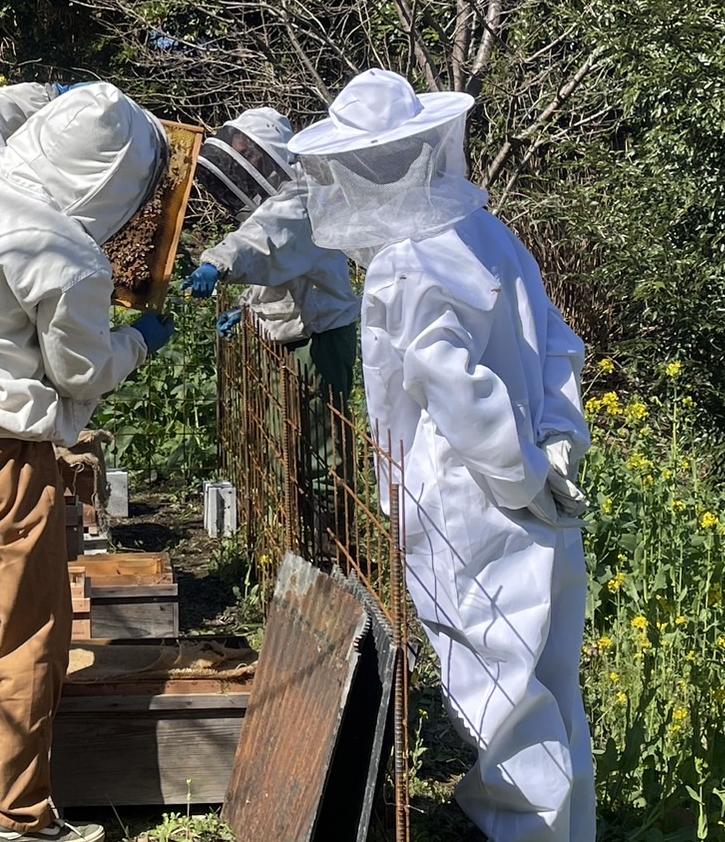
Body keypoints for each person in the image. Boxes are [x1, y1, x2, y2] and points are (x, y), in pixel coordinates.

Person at [287, 69, 594, 842]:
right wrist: (558, 444)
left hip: (473, 506)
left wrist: (521, 475)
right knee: (552, 683)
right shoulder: (489, 232)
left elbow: (454, 388)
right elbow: (558, 345)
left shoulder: (405, 262)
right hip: (541, 489)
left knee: (502, 697)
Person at [0, 81, 174, 842]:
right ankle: (15, 813)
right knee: (32, 629)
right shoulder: (67, 256)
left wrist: (48, 90)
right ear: (111, 180)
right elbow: (80, 373)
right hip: (0, 455)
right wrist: (140, 341)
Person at [183, 106, 360, 555]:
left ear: (269, 156)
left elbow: (265, 240)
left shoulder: (302, 199)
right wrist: (248, 309)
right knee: (289, 447)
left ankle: (332, 551)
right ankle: (300, 544)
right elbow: (281, 271)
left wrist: (217, 263)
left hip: (319, 338)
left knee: (322, 454)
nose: (245, 166)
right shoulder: (282, 203)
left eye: (250, 156)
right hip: (295, 336)